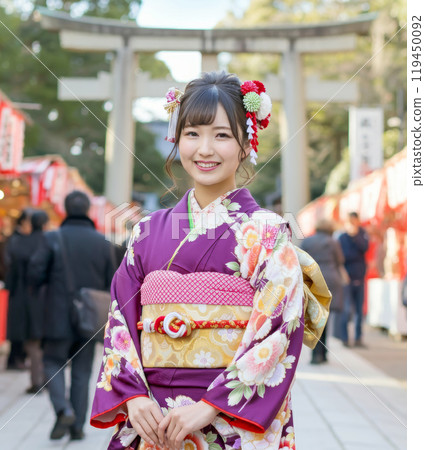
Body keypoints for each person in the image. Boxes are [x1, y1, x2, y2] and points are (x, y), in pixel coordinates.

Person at [90, 72, 331, 450]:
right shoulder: (147, 230)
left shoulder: (266, 231)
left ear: (245, 144)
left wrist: (210, 406)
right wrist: (133, 396)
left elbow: (280, 326)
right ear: (176, 138)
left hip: (227, 420)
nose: (205, 149)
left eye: (221, 135)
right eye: (192, 133)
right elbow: (120, 318)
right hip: (152, 418)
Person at [28, 191, 115, 441]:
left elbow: (35, 274)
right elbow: (113, 281)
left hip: (56, 315)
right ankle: (77, 427)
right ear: (88, 210)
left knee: (52, 363)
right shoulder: (103, 243)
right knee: (82, 371)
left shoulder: (52, 238)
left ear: (65, 209)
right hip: (90, 318)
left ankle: (62, 409)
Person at [300, 219, 345, 364]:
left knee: (314, 316)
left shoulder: (307, 241)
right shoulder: (333, 242)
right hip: (331, 278)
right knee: (326, 316)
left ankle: (316, 354)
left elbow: (300, 260)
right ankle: (323, 353)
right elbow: (340, 260)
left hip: (313, 279)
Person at [4, 209, 33, 371]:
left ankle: (17, 358)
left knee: (19, 324)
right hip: (18, 288)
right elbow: (8, 263)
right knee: (17, 325)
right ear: (23, 222)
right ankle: (14, 358)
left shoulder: (19, 240)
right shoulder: (15, 240)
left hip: (19, 288)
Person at [338, 212, 369, 347]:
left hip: (360, 276)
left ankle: (358, 338)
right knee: (346, 309)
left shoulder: (362, 234)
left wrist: (355, 235)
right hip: (346, 277)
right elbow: (344, 255)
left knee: (359, 310)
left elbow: (365, 248)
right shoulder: (342, 237)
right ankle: (345, 339)